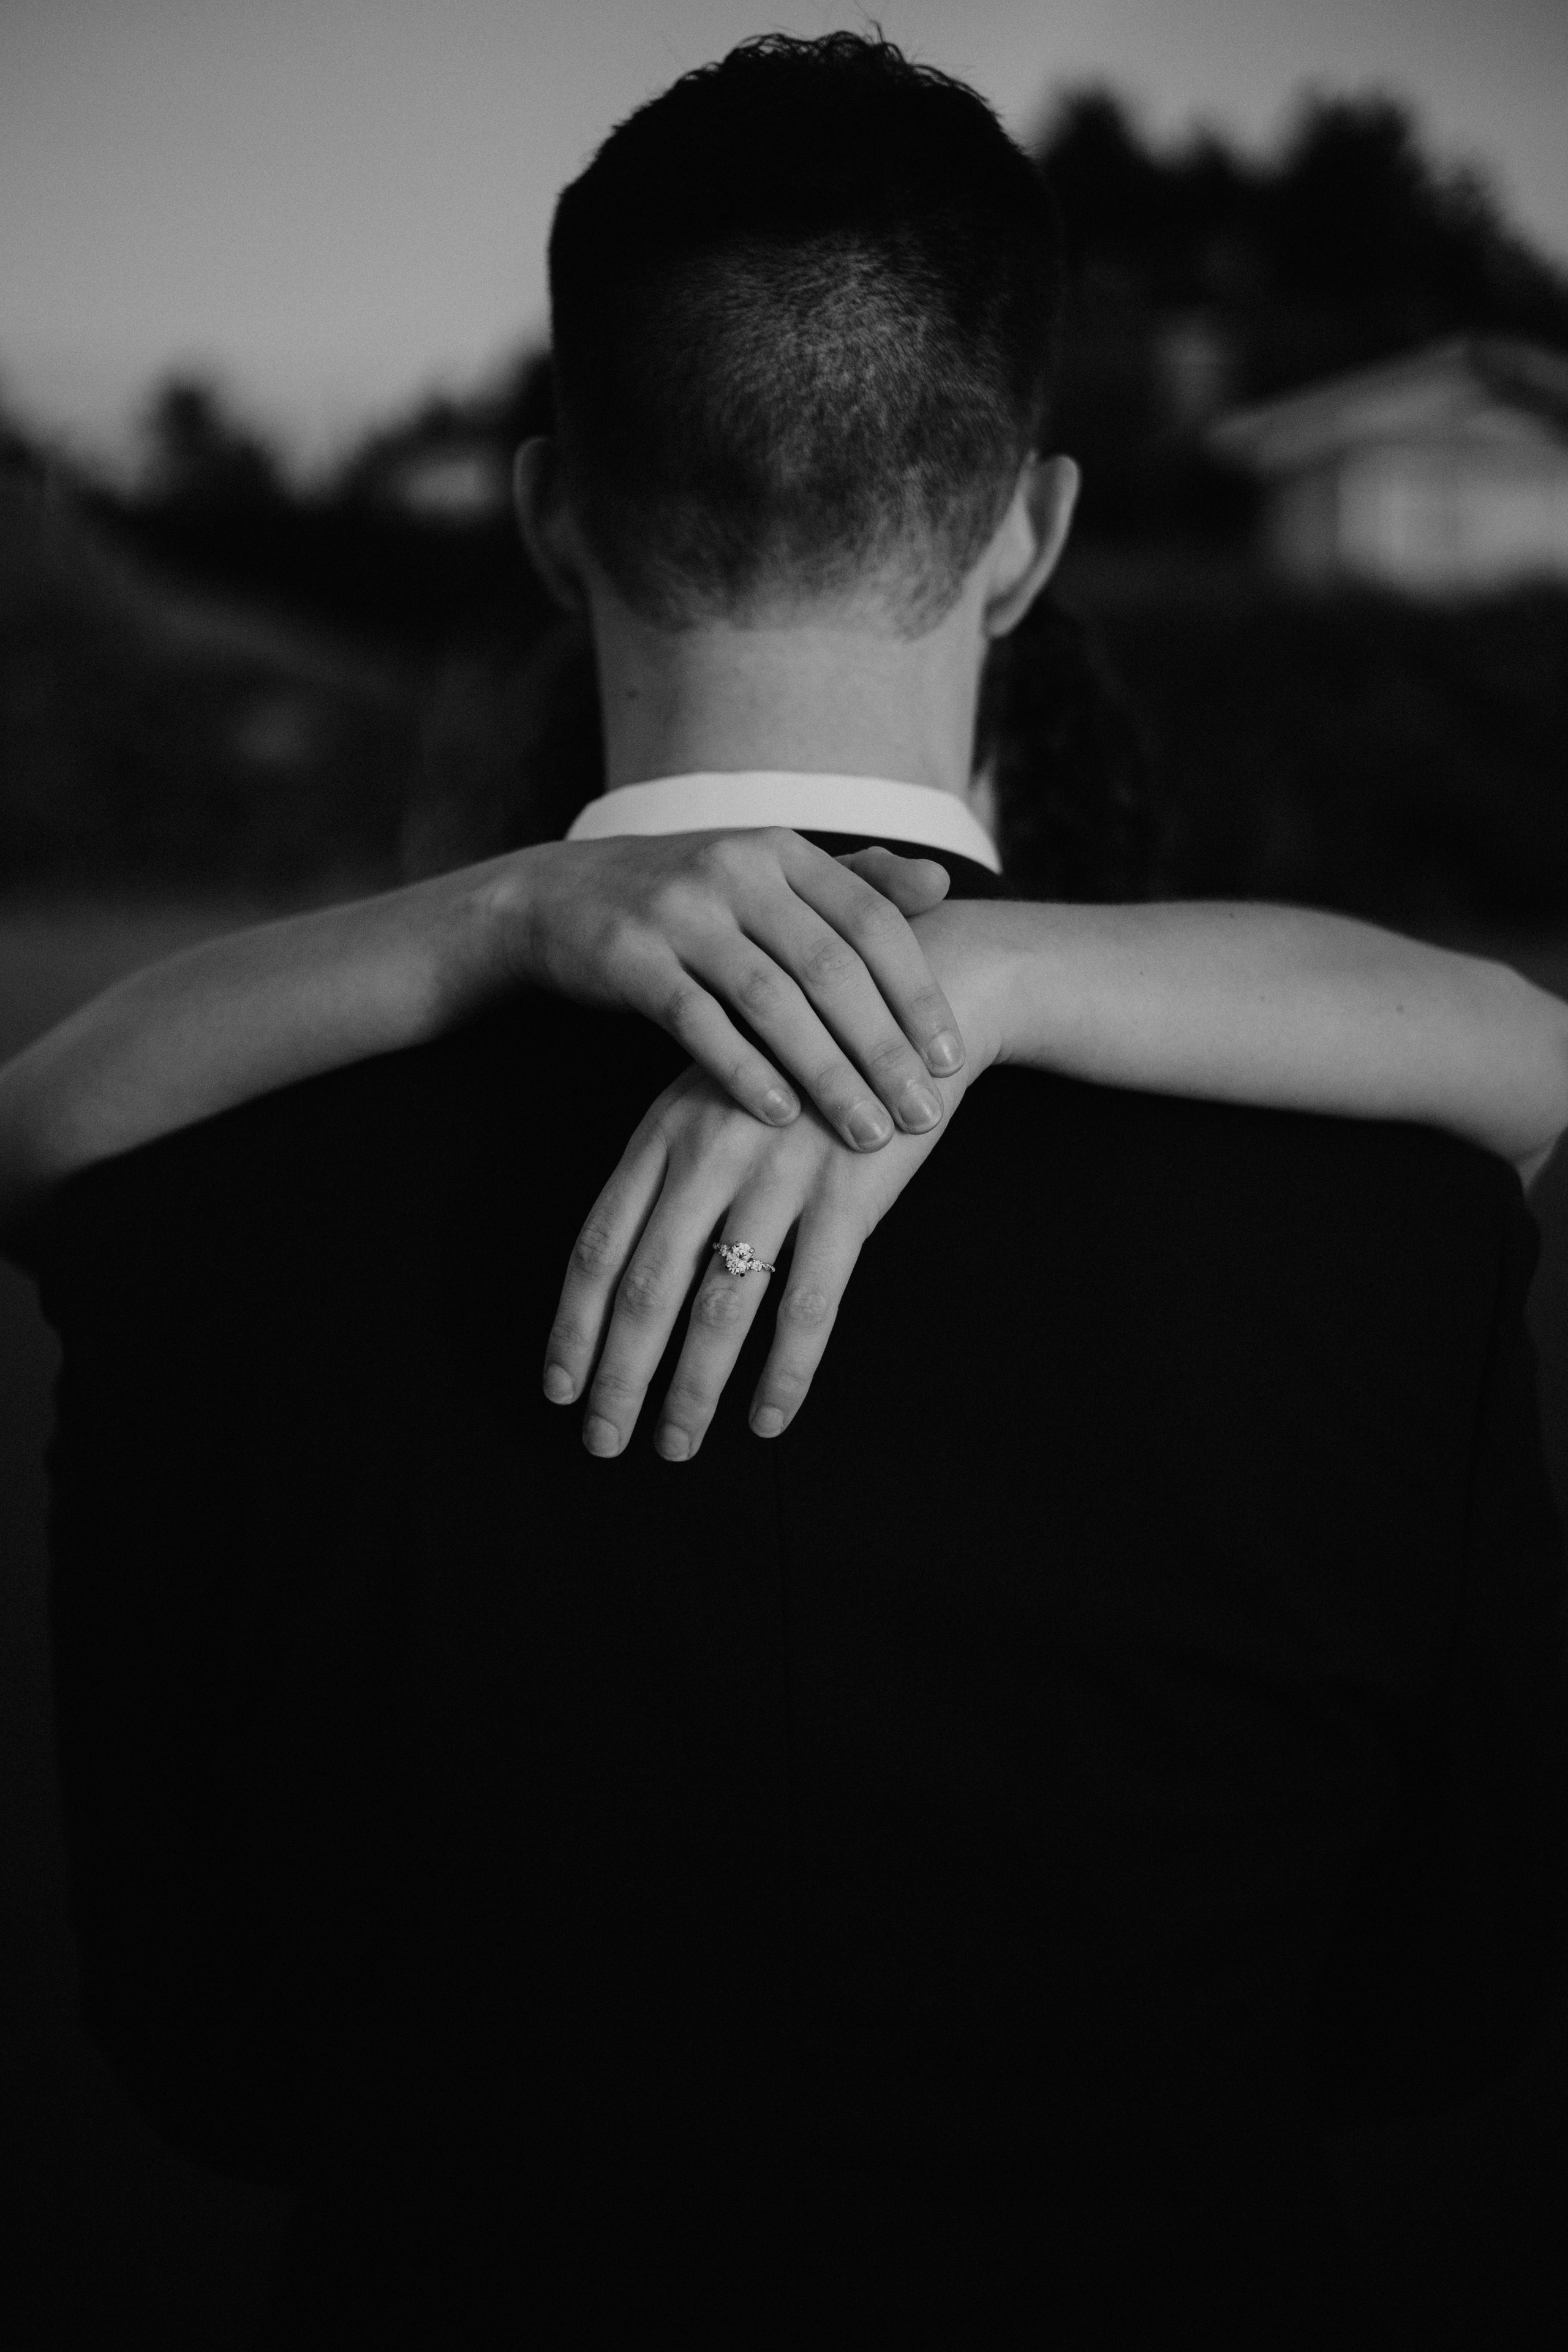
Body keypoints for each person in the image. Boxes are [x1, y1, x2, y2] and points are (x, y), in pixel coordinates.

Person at [8, 31, 1568, 2344]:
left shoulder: (195, 1214)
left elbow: (209, 2068)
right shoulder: (1403, 1236)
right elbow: (1442, 2017)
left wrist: (508, 916)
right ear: (1027, 535)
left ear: (553, 514)